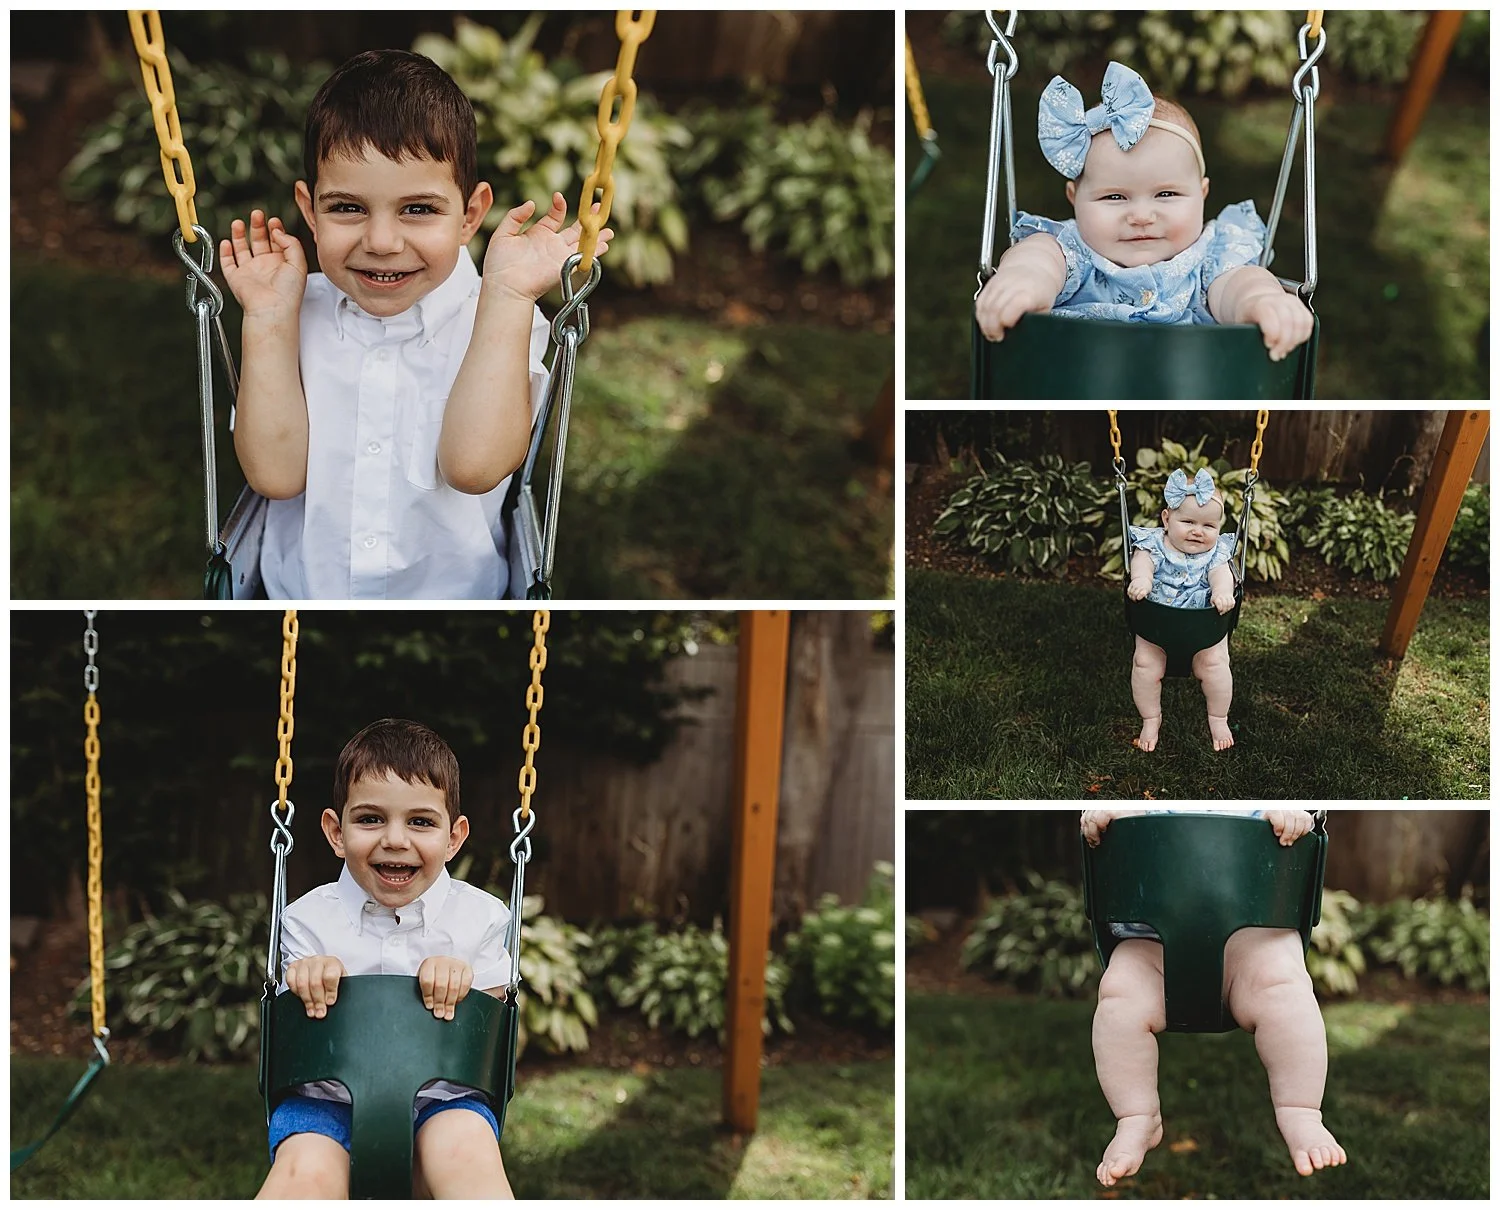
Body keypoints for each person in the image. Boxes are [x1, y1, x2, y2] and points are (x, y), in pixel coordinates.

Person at [219, 50, 612, 599]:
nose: (381, 242)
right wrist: (264, 320)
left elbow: (474, 468)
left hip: (454, 608)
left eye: (418, 210)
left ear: (470, 215)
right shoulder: (290, 313)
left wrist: (507, 296)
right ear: (310, 212)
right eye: (348, 208)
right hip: (304, 600)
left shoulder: (501, 316)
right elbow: (275, 476)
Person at [257, 719, 515, 1199]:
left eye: (420, 821)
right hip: (325, 1104)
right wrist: (306, 977)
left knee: (466, 1156)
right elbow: (293, 1019)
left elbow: (492, 1027)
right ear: (336, 831)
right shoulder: (306, 920)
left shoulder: (480, 917)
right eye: (371, 819)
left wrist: (467, 983)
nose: (395, 839)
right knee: (305, 1174)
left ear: (454, 838)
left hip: (445, 1100)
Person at [974, 61, 1313, 364]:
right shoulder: (1072, 251)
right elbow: (1037, 258)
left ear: (1202, 195)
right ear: (1073, 198)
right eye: (1114, 197)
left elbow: (1238, 284)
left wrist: (1261, 300)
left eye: (1166, 194)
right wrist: (1023, 281)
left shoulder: (1211, 258)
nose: (1140, 215)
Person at [1080, 808, 1347, 1186]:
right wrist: (1103, 820)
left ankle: (1300, 1110)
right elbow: (1112, 827)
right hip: (1151, 947)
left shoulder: (1251, 806)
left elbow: (1292, 823)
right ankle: (1137, 1116)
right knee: (1119, 995)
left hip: (1253, 944)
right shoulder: (1138, 808)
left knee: (1287, 993)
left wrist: (1296, 816)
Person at [1127, 466, 1239, 752]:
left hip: (1203, 628)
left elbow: (1220, 574)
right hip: (1156, 624)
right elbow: (1142, 562)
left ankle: (1218, 717)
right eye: (1188, 521)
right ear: (1167, 518)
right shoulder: (1154, 544)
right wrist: (1142, 579)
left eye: (1208, 526)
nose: (1197, 532)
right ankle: (1151, 718)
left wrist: (1223, 591)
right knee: (1144, 665)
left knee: (1215, 666)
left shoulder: (1216, 553)